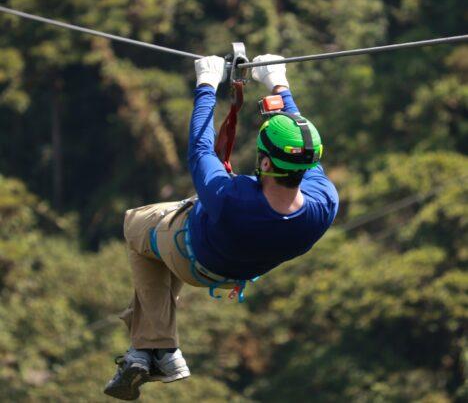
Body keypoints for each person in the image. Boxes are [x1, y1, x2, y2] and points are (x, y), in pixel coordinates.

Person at [104, 55, 339, 400]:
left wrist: (206, 86)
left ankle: (158, 347)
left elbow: (200, 149)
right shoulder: (323, 204)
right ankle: (150, 350)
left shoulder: (231, 198)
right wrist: (279, 84)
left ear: (263, 161)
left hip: (192, 255)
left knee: (136, 224)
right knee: (160, 243)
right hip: (234, 270)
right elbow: (301, 146)